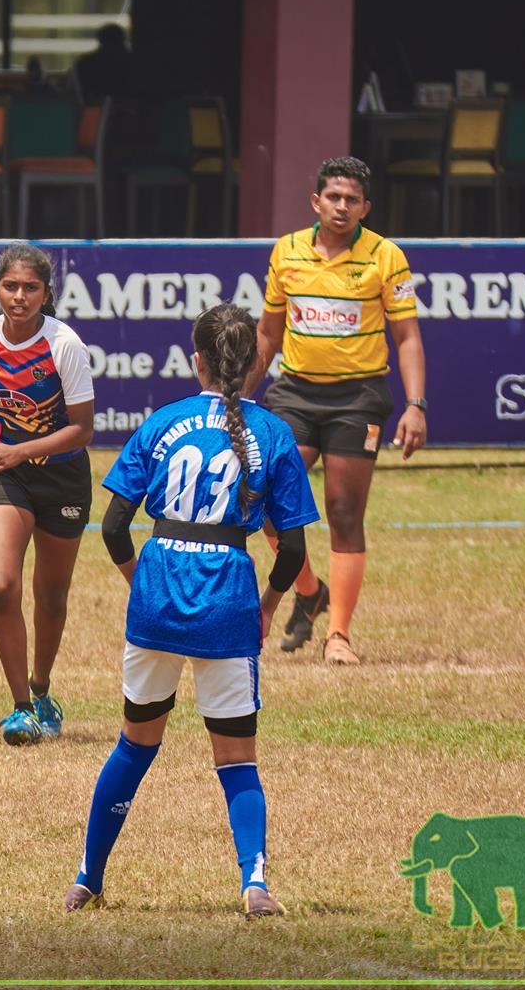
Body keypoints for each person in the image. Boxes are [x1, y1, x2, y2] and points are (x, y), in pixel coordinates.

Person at [66, 302, 318, 919]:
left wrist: (141, 583)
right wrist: (267, 605)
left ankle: (87, 878)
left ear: (196, 360)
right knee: (236, 758)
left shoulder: (162, 422)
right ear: (258, 362)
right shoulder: (275, 434)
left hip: (158, 596)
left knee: (134, 743)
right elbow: (295, 553)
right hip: (228, 600)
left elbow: (116, 526)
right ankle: (254, 884)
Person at [248, 156, 427, 665]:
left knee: (345, 514)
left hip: (358, 397)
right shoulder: (287, 252)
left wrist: (416, 406)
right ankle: (308, 590)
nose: (342, 206)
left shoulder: (386, 256)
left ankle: (339, 636)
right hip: (294, 394)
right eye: (334, 197)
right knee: (261, 497)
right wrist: (235, 396)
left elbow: (408, 337)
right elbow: (268, 333)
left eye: (352, 199)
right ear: (316, 202)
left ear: (365, 207)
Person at [0, 243, 96, 745]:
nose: (19, 296)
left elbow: (82, 431)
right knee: (1, 586)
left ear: (46, 293)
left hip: (62, 476)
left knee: (51, 595)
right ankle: (19, 709)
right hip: (3, 469)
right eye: (10, 286)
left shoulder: (65, 345)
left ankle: (41, 690)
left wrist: (22, 451)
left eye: (30, 288)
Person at [72, 23, 134, 105]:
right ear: (124, 40)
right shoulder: (134, 62)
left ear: (100, 40)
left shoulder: (85, 62)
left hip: (94, 112)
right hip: (130, 111)